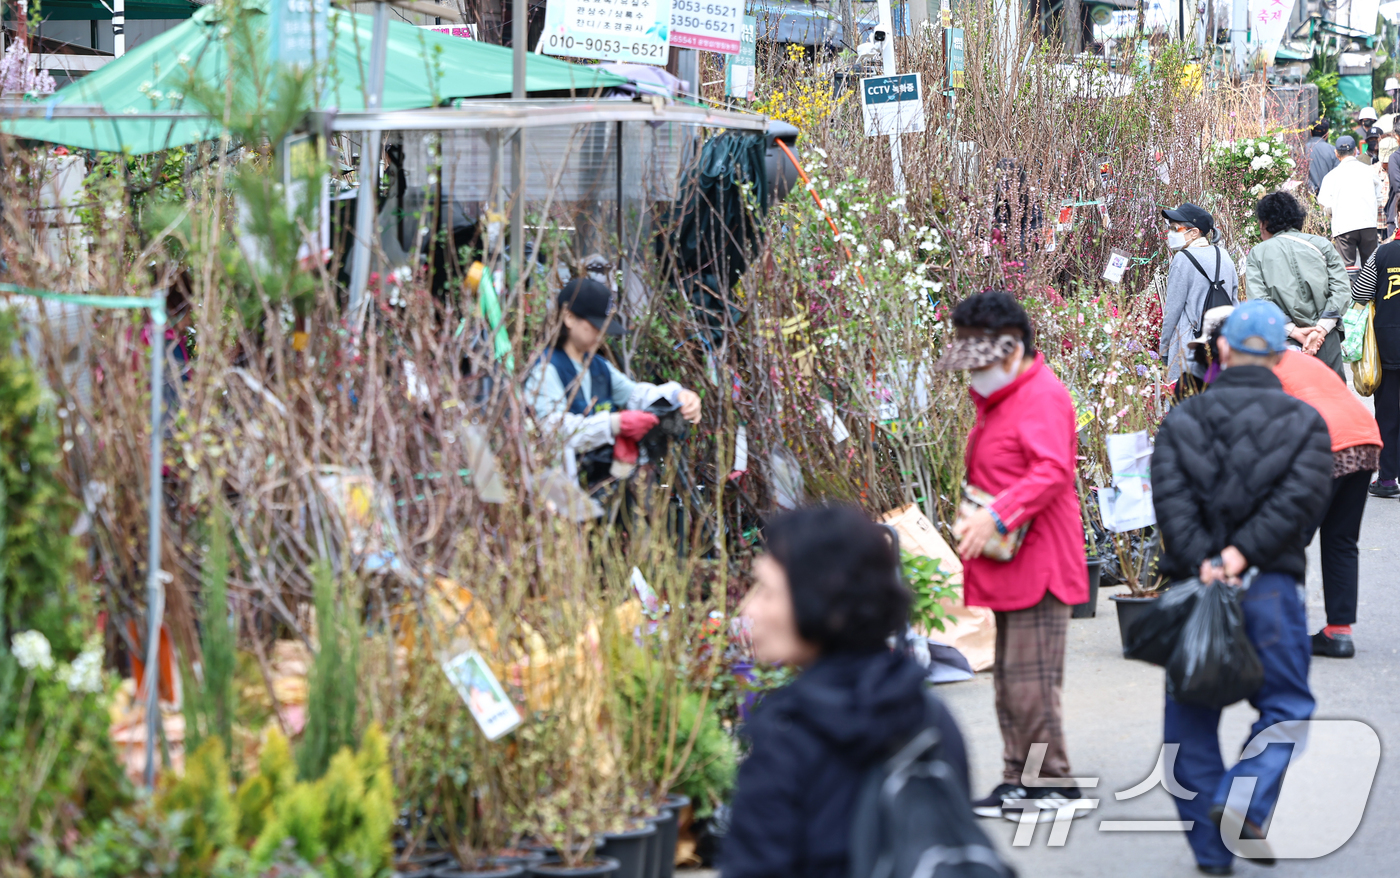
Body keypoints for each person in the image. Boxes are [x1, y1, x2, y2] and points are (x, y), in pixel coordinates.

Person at [1151, 300, 1334, 876]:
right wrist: (1243, 554)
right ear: (1280, 356)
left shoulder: (1184, 420)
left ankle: (1212, 853)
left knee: (1189, 720)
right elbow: (1300, 503)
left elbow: (1171, 501)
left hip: (1195, 588)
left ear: (1223, 349)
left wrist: (1206, 560)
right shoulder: (1306, 423)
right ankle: (1244, 799)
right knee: (1286, 706)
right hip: (1269, 590)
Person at [723, 505, 970, 878]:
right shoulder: (930, 716)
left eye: (768, 593)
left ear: (823, 600)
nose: (749, 608)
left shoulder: (786, 733)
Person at [933, 291, 1089, 823]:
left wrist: (995, 516)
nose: (972, 372)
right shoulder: (1003, 398)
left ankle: (1053, 783)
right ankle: (1018, 778)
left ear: (1013, 348)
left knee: (1031, 682)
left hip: (1040, 561)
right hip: (1011, 560)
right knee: (1010, 680)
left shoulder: (1041, 396)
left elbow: (1052, 470)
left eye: (980, 360)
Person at [524, 277, 701, 484]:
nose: (601, 334)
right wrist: (614, 424)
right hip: (559, 490)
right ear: (569, 318)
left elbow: (636, 395)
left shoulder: (599, 366)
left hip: (599, 486)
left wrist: (678, 396)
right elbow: (553, 431)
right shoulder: (545, 369)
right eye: (595, 325)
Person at [1245, 191, 1352, 377]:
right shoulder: (1322, 245)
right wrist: (1321, 329)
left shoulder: (1257, 253)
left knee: (1291, 391)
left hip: (1283, 341)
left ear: (1265, 223)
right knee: (1329, 391)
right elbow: (1342, 290)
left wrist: (1294, 331)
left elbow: (1258, 301)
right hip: (1326, 338)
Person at [1159, 203, 1239, 388]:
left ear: (1194, 232)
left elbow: (1172, 311)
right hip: (1222, 343)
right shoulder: (1224, 255)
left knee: (1187, 398)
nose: (1170, 233)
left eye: (1175, 228)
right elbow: (1234, 301)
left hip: (1190, 345)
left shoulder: (1182, 259)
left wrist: (1164, 350)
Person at [1349, 238, 1400, 498]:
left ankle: (1388, 479)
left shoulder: (1383, 253)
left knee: (1388, 413)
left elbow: (1360, 293)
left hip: (1390, 340)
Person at [1317, 136, 1385, 268]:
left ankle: (1351, 282)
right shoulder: (1369, 171)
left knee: (1347, 268)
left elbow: (1325, 204)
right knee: (1371, 267)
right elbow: (1379, 197)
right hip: (1368, 224)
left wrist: (1332, 214)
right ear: (1355, 151)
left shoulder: (1331, 176)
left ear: (1336, 153)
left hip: (1344, 227)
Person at [1306, 119, 1339, 194]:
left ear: (1310, 132)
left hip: (1307, 195)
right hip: (1328, 195)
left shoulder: (1302, 150)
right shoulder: (1333, 151)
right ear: (1327, 134)